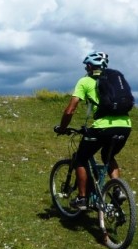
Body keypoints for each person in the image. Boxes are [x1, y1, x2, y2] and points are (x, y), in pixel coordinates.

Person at [54, 51, 132, 210]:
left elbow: (70, 109)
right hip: (125, 125)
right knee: (107, 156)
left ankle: (82, 199)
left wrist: (62, 128)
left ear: (89, 66)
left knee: (80, 158)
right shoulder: (114, 79)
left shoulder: (85, 81)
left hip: (103, 127)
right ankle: (118, 190)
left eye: (86, 66)